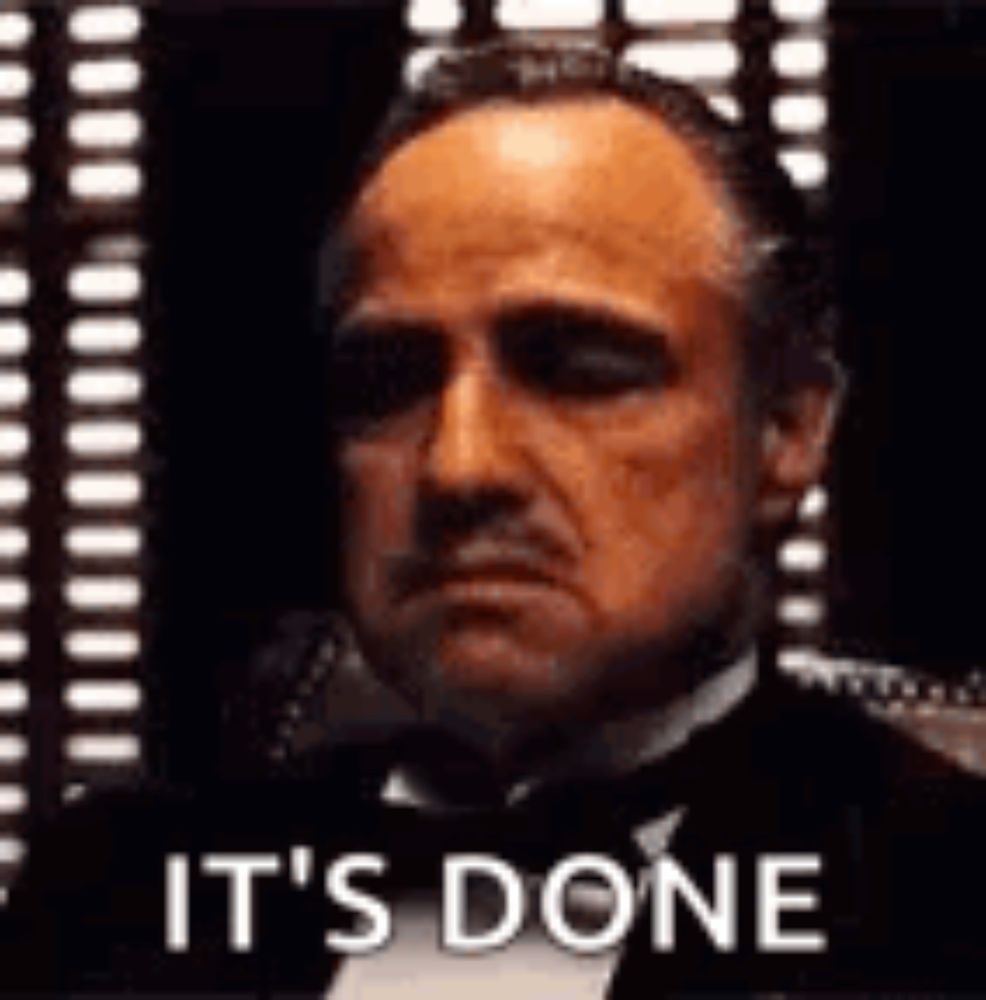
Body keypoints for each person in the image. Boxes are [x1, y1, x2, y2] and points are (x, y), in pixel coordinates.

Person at [3, 38, 986, 997]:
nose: (458, 466)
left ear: (786, 430)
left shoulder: (946, 898)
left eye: (578, 371)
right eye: (389, 382)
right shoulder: (111, 890)